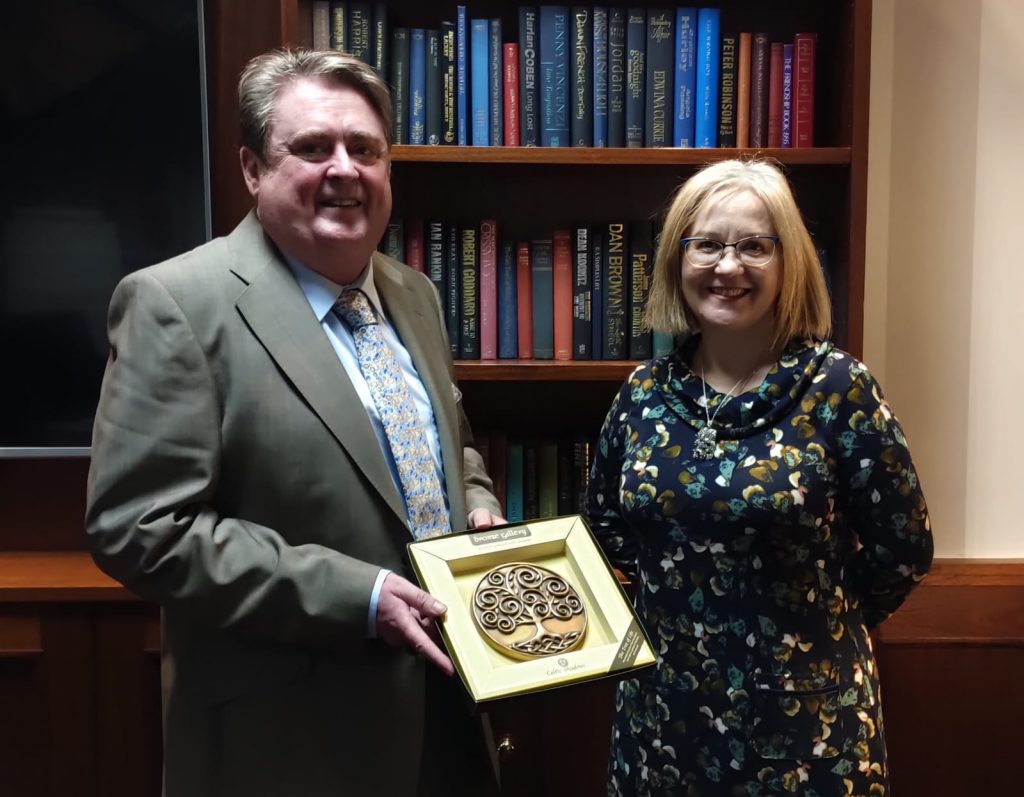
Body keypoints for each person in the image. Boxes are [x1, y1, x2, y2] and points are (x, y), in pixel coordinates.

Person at [85, 49, 504, 797]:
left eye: (365, 149)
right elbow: (139, 527)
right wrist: (359, 596)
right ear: (252, 168)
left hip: (447, 715)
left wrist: (475, 498)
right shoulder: (175, 302)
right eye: (312, 148)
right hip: (287, 741)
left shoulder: (415, 294)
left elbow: (452, 440)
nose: (344, 169)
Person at [586, 158, 932, 796]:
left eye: (753, 246)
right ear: (676, 259)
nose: (727, 266)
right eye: (708, 244)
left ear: (789, 262)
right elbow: (604, 531)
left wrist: (817, 625)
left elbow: (903, 547)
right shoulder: (644, 392)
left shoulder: (837, 388)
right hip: (663, 718)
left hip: (805, 723)